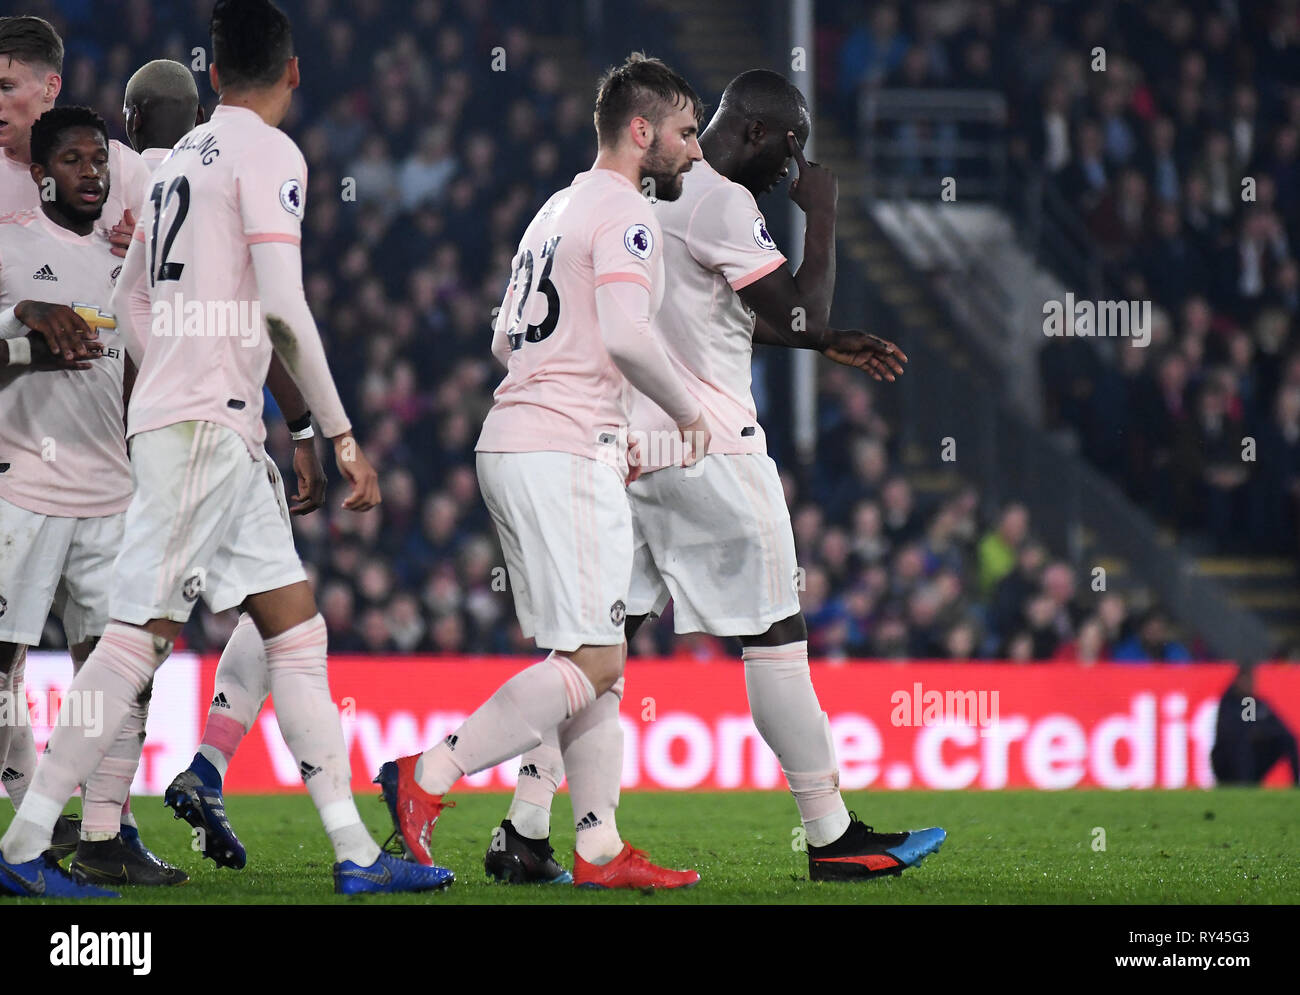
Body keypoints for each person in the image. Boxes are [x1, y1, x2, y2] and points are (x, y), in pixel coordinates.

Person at [0, 0, 450, 899]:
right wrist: (339, 431)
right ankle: (20, 845)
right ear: (292, 72)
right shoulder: (270, 153)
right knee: (135, 640)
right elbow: (283, 305)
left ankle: (356, 854)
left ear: (212, 74)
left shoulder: (177, 165)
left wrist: (167, 377)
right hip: (206, 422)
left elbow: (129, 296)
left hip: (212, 423)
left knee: (296, 627)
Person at [485, 69, 943, 885]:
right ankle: (831, 833)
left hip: (628, 454)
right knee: (774, 637)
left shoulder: (637, 195)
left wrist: (818, 342)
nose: (791, 173)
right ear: (768, 136)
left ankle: (524, 828)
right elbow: (799, 304)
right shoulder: (725, 201)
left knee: (597, 650)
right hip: (713, 452)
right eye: (792, 152)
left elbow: (695, 318)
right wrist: (825, 216)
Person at [377, 53, 710, 889]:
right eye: (684, 133)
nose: (693, 152)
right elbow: (631, 339)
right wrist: (687, 413)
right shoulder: (629, 215)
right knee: (595, 660)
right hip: (561, 449)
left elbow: (503, 340)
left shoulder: (553, 209)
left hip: (517, 437)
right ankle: (427, 775)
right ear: (643, 133)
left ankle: (593, 846)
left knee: (594, 654)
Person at [117, 55, 331, 875]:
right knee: (253, 623)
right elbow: (257, 318)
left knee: (154, 629)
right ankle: (83, 821)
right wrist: (310, 423)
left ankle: (123, 808)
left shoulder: (113, 180)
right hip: (208, 430)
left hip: (132, 430)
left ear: (131, 122)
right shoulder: (204, 179)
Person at [0, 13, 164, 876]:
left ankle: (102, 829)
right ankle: (27, 799)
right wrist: (23, 319)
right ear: (41, 172)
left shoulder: (121, 235)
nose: (92, 174)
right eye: (74, 163)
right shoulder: (11, 238)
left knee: (120, 660)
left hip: (112, 486)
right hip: (22, 479)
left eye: (99, 161)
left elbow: (151, 342)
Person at [1211, 663, 1300, 785]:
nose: (1251, 684)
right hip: (1227, 763)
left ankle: (1296, 783)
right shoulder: (1229, 703)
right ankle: (1244, 784)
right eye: (1247, 680)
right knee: (1242, 743)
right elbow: (1232, 732)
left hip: (1253, 759)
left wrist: (1263, 731)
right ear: (1238, 681)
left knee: (1287, 739)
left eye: (1252, 680)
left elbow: (1278, 728)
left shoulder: (1254, 703)